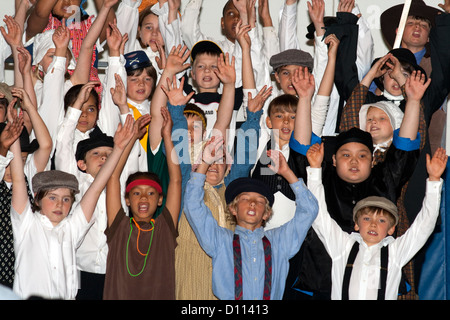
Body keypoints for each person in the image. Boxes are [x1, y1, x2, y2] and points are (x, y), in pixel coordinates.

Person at [282, 64, 421, 298]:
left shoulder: (384, 180)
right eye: (346, 155)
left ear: (372, 160)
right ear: (334, 160)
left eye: (362, 155)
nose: (354, 161)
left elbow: (404, 147)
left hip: (378, 282)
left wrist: (414, 101)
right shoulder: (320, 176)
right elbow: (302, 149)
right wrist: (305, 98)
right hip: (321, 279)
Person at [10, 108, 135, 300]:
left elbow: (96, 187)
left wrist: (118, 148)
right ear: (37, 198)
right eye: (52, 198)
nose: (60, 204)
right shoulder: (26, 223)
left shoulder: (71, 228)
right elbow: (19, 179)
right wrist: (14, 143)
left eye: (66, 199)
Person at [306, 141, 447, 300]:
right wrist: (315, 170)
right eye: (366, 218)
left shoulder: (395, 253)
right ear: (357, 224)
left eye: (381, 221)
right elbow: (319, 217)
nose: (373, 224)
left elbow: (424, 225)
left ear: (391, 229)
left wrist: (434, 180)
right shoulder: (343, 246)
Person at [184, 136, 318, 300]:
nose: (253, 203)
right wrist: (204, 163)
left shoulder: (280, 241)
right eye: (245, 199)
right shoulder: (220, 240)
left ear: (267, 213)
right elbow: (193, 206)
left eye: (260, 201)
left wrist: (288, 173)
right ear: (233, 208)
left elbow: (309, 210)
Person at [102, 107, 181, 300]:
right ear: (127, 200)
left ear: (160, 200)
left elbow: (176, 181)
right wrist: (132, 139)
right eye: (136, 193)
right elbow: (113, 178)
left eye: (151, 193)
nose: (144, 198)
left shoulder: (165, 227)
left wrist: (167, 137)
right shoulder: (119, 226)